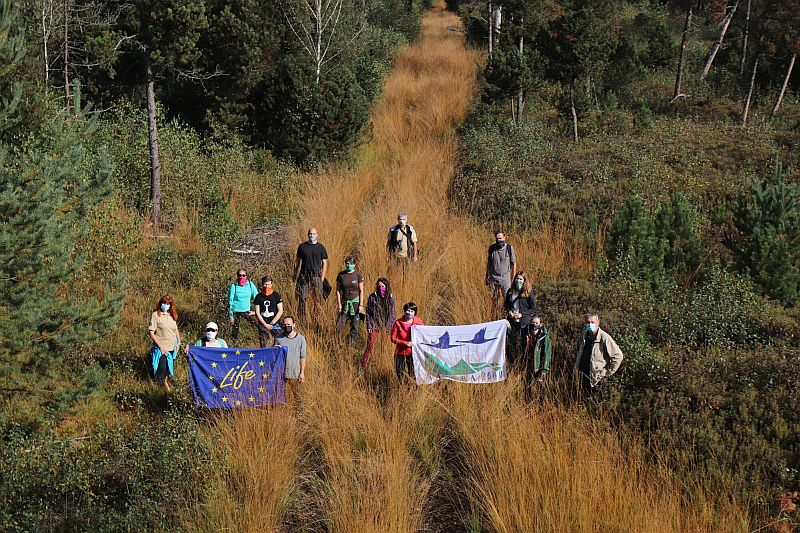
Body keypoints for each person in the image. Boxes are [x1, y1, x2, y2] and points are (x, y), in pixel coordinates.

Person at [574, 313, 624, 394]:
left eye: (592, 322)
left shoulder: (604, 337)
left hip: (597, 380)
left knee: (594, 402)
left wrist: (606, 373)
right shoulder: (583, 336)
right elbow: (578, 350)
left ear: (598, 322)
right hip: (582, 377)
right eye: (588, 322)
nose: (590, 325)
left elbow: (618, 356)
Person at [360, 277, 396, 370]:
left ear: (387, 286)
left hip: (386, 326)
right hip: (374, 325)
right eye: (379, 286)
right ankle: (363, 366)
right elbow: (368, 312)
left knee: (384, 347)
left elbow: (392, 314)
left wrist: (390, 327)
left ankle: (380, 365)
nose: (381, 288)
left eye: (383, 286)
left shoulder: (391, 298)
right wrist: (369, 325)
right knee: (370, 346)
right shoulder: (373, 296)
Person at [504, 271, 536, 369]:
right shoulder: (510, 291)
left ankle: (523, 365)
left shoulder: (528, 292)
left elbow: (533, 308)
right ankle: (512, 364)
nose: (518, 281)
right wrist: (509, 312)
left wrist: (522, 314)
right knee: (511, 344)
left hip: (523, 323)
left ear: (524, 281)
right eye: (517, 279)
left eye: (521, 279)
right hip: (512, 322)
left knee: (523, 345)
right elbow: (506, 305)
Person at [294, 227, 329, 319]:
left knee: (317, 300)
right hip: (304, 277)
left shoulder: (321, 247)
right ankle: (302, 319)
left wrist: (322, 277)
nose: (311, 235)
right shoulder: (302, 246)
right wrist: (294, 274)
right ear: (307, 234)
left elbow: (325, 263)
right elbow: (297, 261)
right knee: (302, 298)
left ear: (317, 235)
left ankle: (316, 319)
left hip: (316, 277)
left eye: (313, 234)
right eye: (310, 234)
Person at [273, 316, 307, 409]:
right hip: (281, 373)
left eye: (288, 324)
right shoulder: (278, 338)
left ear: (294, 325)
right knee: (280, 395)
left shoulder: (301, 339)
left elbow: (303, 356)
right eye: (284, 325)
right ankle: (281, 411)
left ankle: (299, 413)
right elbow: (273, 354)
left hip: (295, 372)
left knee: (297, 395)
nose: (286, 326)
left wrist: (302, 372)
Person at [148, 295, 181, 390]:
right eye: (164, 303)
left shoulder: (172, 316)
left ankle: (166, 387)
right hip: (161, 349)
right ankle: (161, 390)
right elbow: (151, 332)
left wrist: (178, 342)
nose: (166, 305)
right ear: (160, 303)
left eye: (168, 304)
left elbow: (175, 330)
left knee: (167, 370)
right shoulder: (156, 315)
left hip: (172, 348)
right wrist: (160, 346)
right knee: (161, 370)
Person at [390, 301, 424, 382]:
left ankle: (411, 389)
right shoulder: (398, 322)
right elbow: (393, 338)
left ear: (415, 312)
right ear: (404, 311)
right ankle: (403, 386)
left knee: (413, 372)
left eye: (412, 311)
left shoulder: (418, 322)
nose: (410, 313)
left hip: (414, 352)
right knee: (400, 372)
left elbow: (423, 335)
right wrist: (404, 343)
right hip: (400, 352)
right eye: (408, 310)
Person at [485, 230, 516, 316]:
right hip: (493, 278)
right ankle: (496, 316)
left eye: (500, 238)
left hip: (505, 278)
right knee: (494, 299)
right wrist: (486, 276)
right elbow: (489, 263)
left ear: (504, 238)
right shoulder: (492, 248)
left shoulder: (509, 248)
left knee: (508, 299)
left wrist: (513, 277)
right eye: (497, 238)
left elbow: (513, 263)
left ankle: (507, 316)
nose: (499, 240)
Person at [336, 255, 365, 345]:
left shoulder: (358, 275)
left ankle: (351, 343)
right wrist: (339, 304)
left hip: (355, 302)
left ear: (354, 264)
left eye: (351, 264)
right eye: (347, 263)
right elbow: (337, 290)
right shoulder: (341, 275)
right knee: (340, 324)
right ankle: (337, 342)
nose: (349, 265)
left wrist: (361, 305)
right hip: (345, 302)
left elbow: (361, 290)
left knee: (354, 324)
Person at [228, 268, 259, 343]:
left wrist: (256, 311)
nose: (241, 277)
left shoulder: (250, 285)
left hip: (247, 311)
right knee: (235, 332)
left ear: (246, 276)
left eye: (243, 275)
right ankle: (235, 346)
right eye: (239, 275)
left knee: (257, 326)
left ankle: (254, 342)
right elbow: (230, 302)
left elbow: (257, 298)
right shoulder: (234, 286)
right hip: (236, 312)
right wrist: (231, 316)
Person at [254, 275, 283, 348]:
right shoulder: (258, 297)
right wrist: (265, 324)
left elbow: (280, 310)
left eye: (269, 284)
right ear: (262, 284)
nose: (267, 286)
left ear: (271, 284)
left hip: (275, 324)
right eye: (265, 284)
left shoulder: (276, 295)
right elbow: (257, 312)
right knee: (264, 346)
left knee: (278, 344)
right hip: (263, 325)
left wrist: (272, 323)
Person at [525, 316, 551, 395]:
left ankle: (540, 405)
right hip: (526, 365)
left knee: (539, 389)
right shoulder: (525, 333)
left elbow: (546, 354)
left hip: (537, 366)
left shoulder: (544, 337)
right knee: (526, 387)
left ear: (541, 324)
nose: (534, 324)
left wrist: (543, 370)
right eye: (533, 322)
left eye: (536, 323)